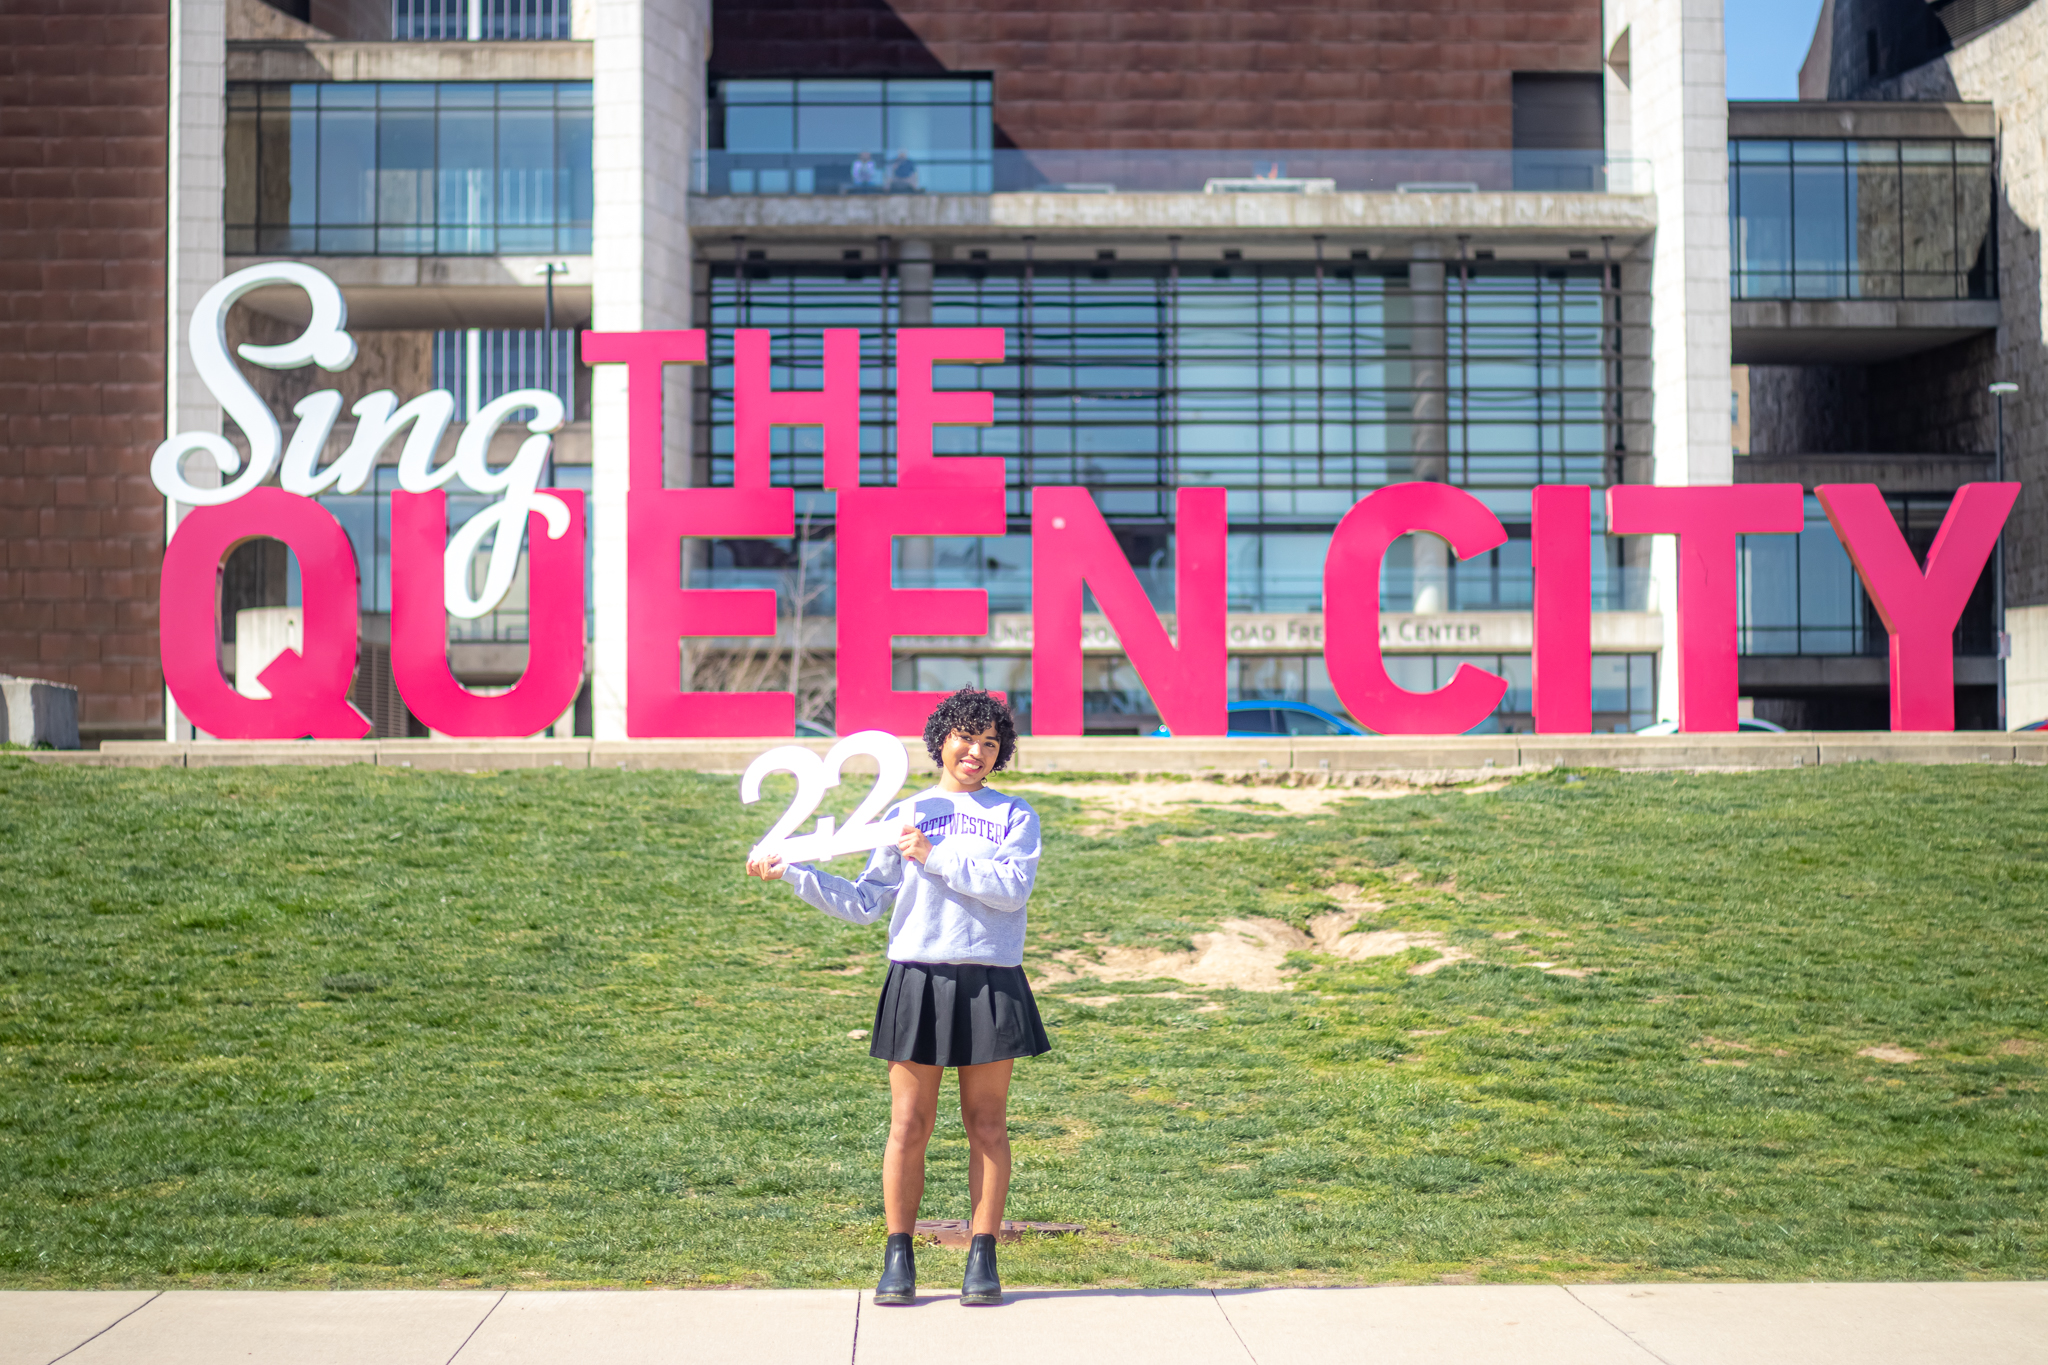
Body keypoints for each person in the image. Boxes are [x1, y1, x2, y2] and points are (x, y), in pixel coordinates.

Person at [745, 688, 1047, 1307]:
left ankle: (981, 1258)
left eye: (991, 743)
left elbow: (1011, 890)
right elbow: (863, 901)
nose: (977, 752)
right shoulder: (904, 812)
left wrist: (935, 857)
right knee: (909, 1124)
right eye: (968, 738)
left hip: (990, 980)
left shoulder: (1015, 815)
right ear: (942, 740)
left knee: (987, 1124)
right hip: (918, 977)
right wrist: (794, 874)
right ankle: (898, 1255)